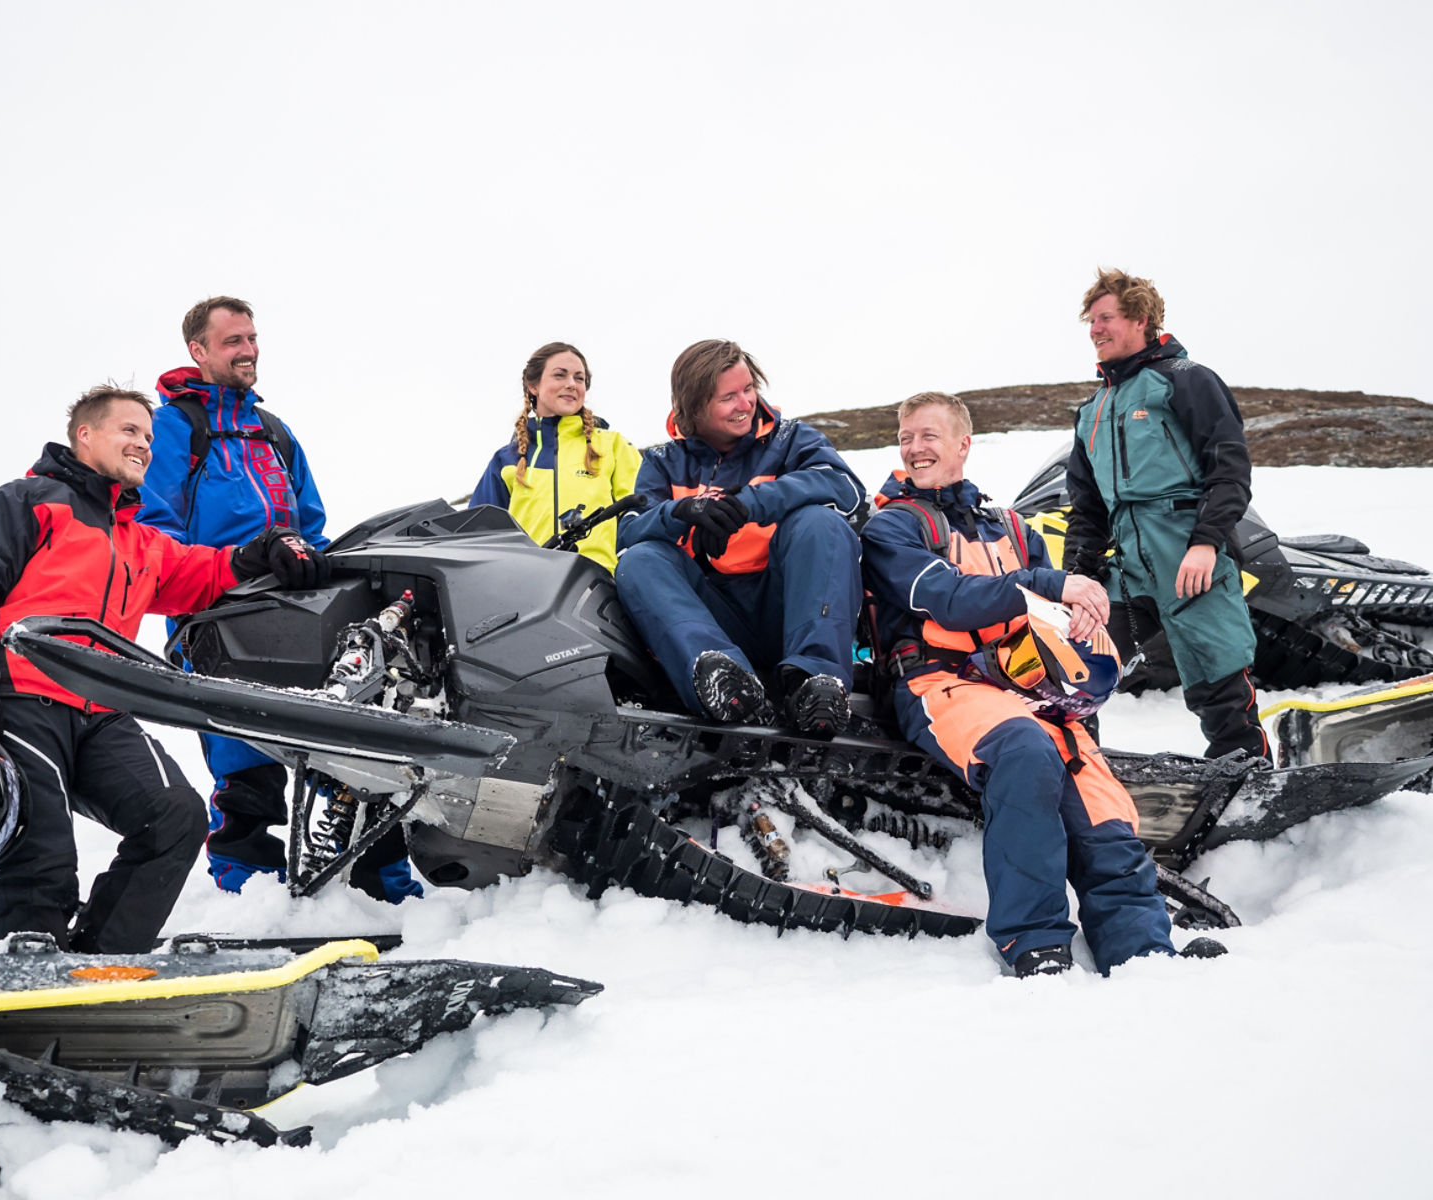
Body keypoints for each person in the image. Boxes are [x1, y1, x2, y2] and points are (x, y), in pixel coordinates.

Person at [0, 385, 328, 952]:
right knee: (41, 856)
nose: (143, 444)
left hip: (102, 707)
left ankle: (102, 960)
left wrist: (264, 549)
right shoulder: (27, 502)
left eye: (147, 435)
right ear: (85, 435)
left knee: (175, 816)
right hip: (21, 696)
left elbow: (202, 571)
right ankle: (17, 975)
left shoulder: (140, 539)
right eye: (129, 431)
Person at [861, 391, 1216, 976]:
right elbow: (946, 599)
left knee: (1099, 795)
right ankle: (1034, 943)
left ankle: (1144, 953)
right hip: (940, 683)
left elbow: (1051, 618)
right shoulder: (893, 525)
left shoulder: (1013, 527)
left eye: (928, 436)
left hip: (1031, 694)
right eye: (906, 438)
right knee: (1024, 750)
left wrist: (1077, 634)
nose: (914, 448)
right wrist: (1051, 584)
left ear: (962, 444)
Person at [139, 296, 421, 899]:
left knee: (349, 748)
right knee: (246, 764)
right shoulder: (173, 428)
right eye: (232, 341)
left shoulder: (273, 432)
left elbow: (312, 522)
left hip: (296, 615)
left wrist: (316, 568)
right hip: (216, 617)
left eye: (251, 338)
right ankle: (254, 901)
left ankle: (384, 887)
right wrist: (234, 566)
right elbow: (152, 533)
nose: (248, 350)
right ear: (198, 350)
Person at [1064, 269, 1270, 762]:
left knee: (1218, 683)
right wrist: (1078, 578)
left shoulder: (1185, 380)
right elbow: (1088, 508)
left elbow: (1229, 469)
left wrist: (1205, 544)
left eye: (1105, 318)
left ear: (1139, 318)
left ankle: (1251, 781)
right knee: (1071, 667)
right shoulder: (1092, 410)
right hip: (1127, 568)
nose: (1095, 329)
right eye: (1091, 321)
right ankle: (1077, 775)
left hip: (1188, 556)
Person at [614, 340, 865, 738]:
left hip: (786, 607)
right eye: (728, 397)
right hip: (714, 614)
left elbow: (847, 489)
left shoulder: (790, 439)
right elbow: (627, 534)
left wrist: (751, 504)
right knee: (640, 559)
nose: (745, 403)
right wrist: (681, 513)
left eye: (748, 389)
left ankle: (817, 684)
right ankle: (718, 678)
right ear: (694, 406)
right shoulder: (662, 461)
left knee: (821, 522)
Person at [470, 342, 643, 572]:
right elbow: (475, 537)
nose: (571, 384)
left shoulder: (613, 445)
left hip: (600, 583)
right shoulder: (506, 460)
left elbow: (642, 515)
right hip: (526, 586)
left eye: (579, 378)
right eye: (560, 375)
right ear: (533, 386)